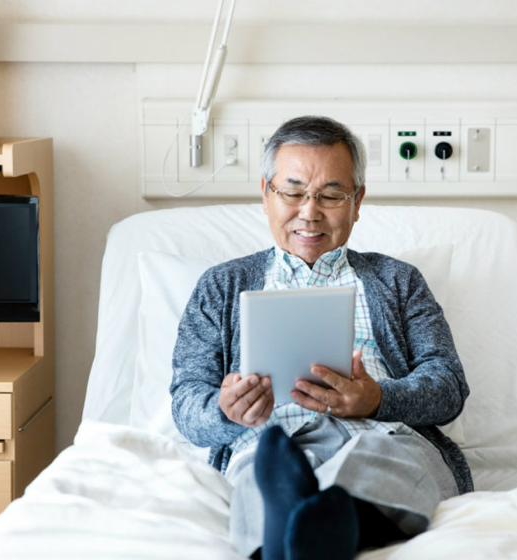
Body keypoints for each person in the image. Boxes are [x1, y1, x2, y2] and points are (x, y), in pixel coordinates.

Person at [170, 115, 472, 560]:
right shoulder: (221, 286)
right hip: (270, 437)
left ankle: (311, 528)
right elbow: (185, 400)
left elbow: (448, 385)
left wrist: (377, 399)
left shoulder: (399, 281)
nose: (309, 212)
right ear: (266, 194)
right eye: (293, 192)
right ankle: (320, 523)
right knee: (260, 468)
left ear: (357, 201)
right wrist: (225, 409)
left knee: (387, 463)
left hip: (382, 434)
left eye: (331, 195)